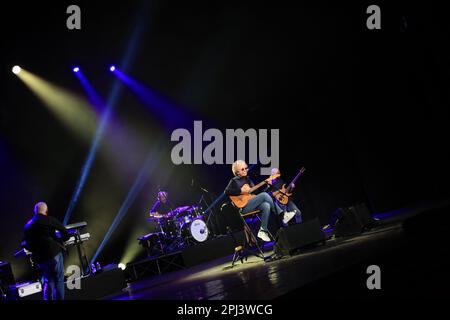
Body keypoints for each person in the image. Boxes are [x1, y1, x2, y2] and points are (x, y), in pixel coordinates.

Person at [224, 160, 296, 242]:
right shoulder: (234, 181)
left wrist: (268, 186)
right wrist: (241, 192)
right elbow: (226, 192)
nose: (245, 170)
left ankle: (262, 230)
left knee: (266, 205)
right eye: (242, 169)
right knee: (265, 196)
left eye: (246, 168)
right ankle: (283, 215)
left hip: (252, 203)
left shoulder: (248, 180)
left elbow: (257, 194)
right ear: (237, 172)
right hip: (243, 207)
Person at [22, 202, 70, 300]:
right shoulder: (49, 219)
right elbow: (65, 233)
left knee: (48, 281)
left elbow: (26, 245)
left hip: (41, 258)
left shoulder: (28, 225)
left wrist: (36, 249)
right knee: (58, 280)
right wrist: (59, 239)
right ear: (46, 211)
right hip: (54, 253)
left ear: (35, 211)